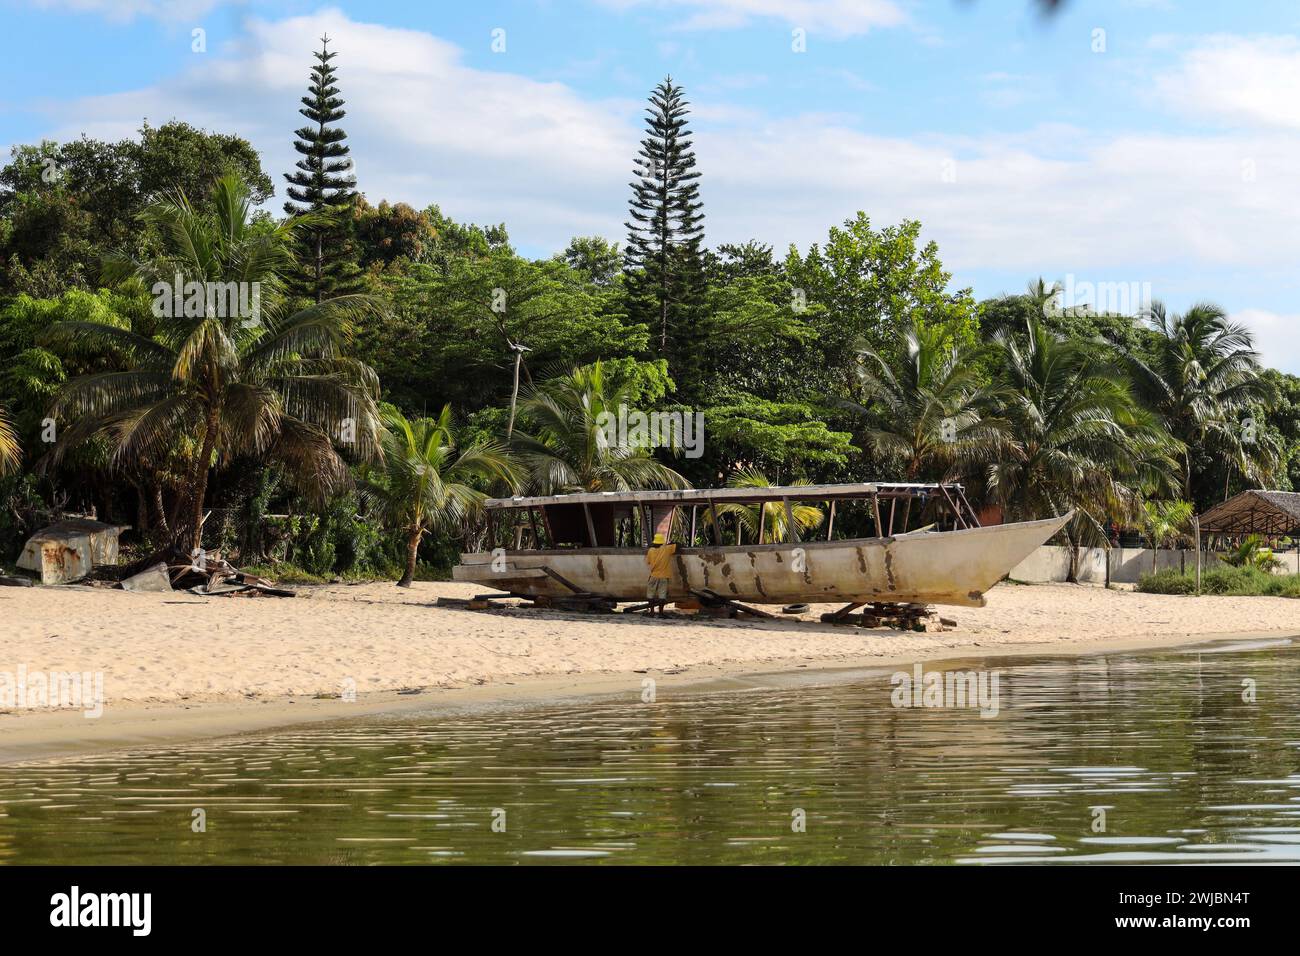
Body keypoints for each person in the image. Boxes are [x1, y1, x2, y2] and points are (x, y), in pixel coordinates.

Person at [644, 531, 678, 618]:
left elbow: (648, 562)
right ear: (662, 542)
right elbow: (678, 545)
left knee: (650, 595)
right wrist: (671, 543)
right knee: (662, 595)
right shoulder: (667, 549)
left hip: (653, 575)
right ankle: (661, 613)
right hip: (664, 576)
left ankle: (651, 612)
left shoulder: (651, 551)